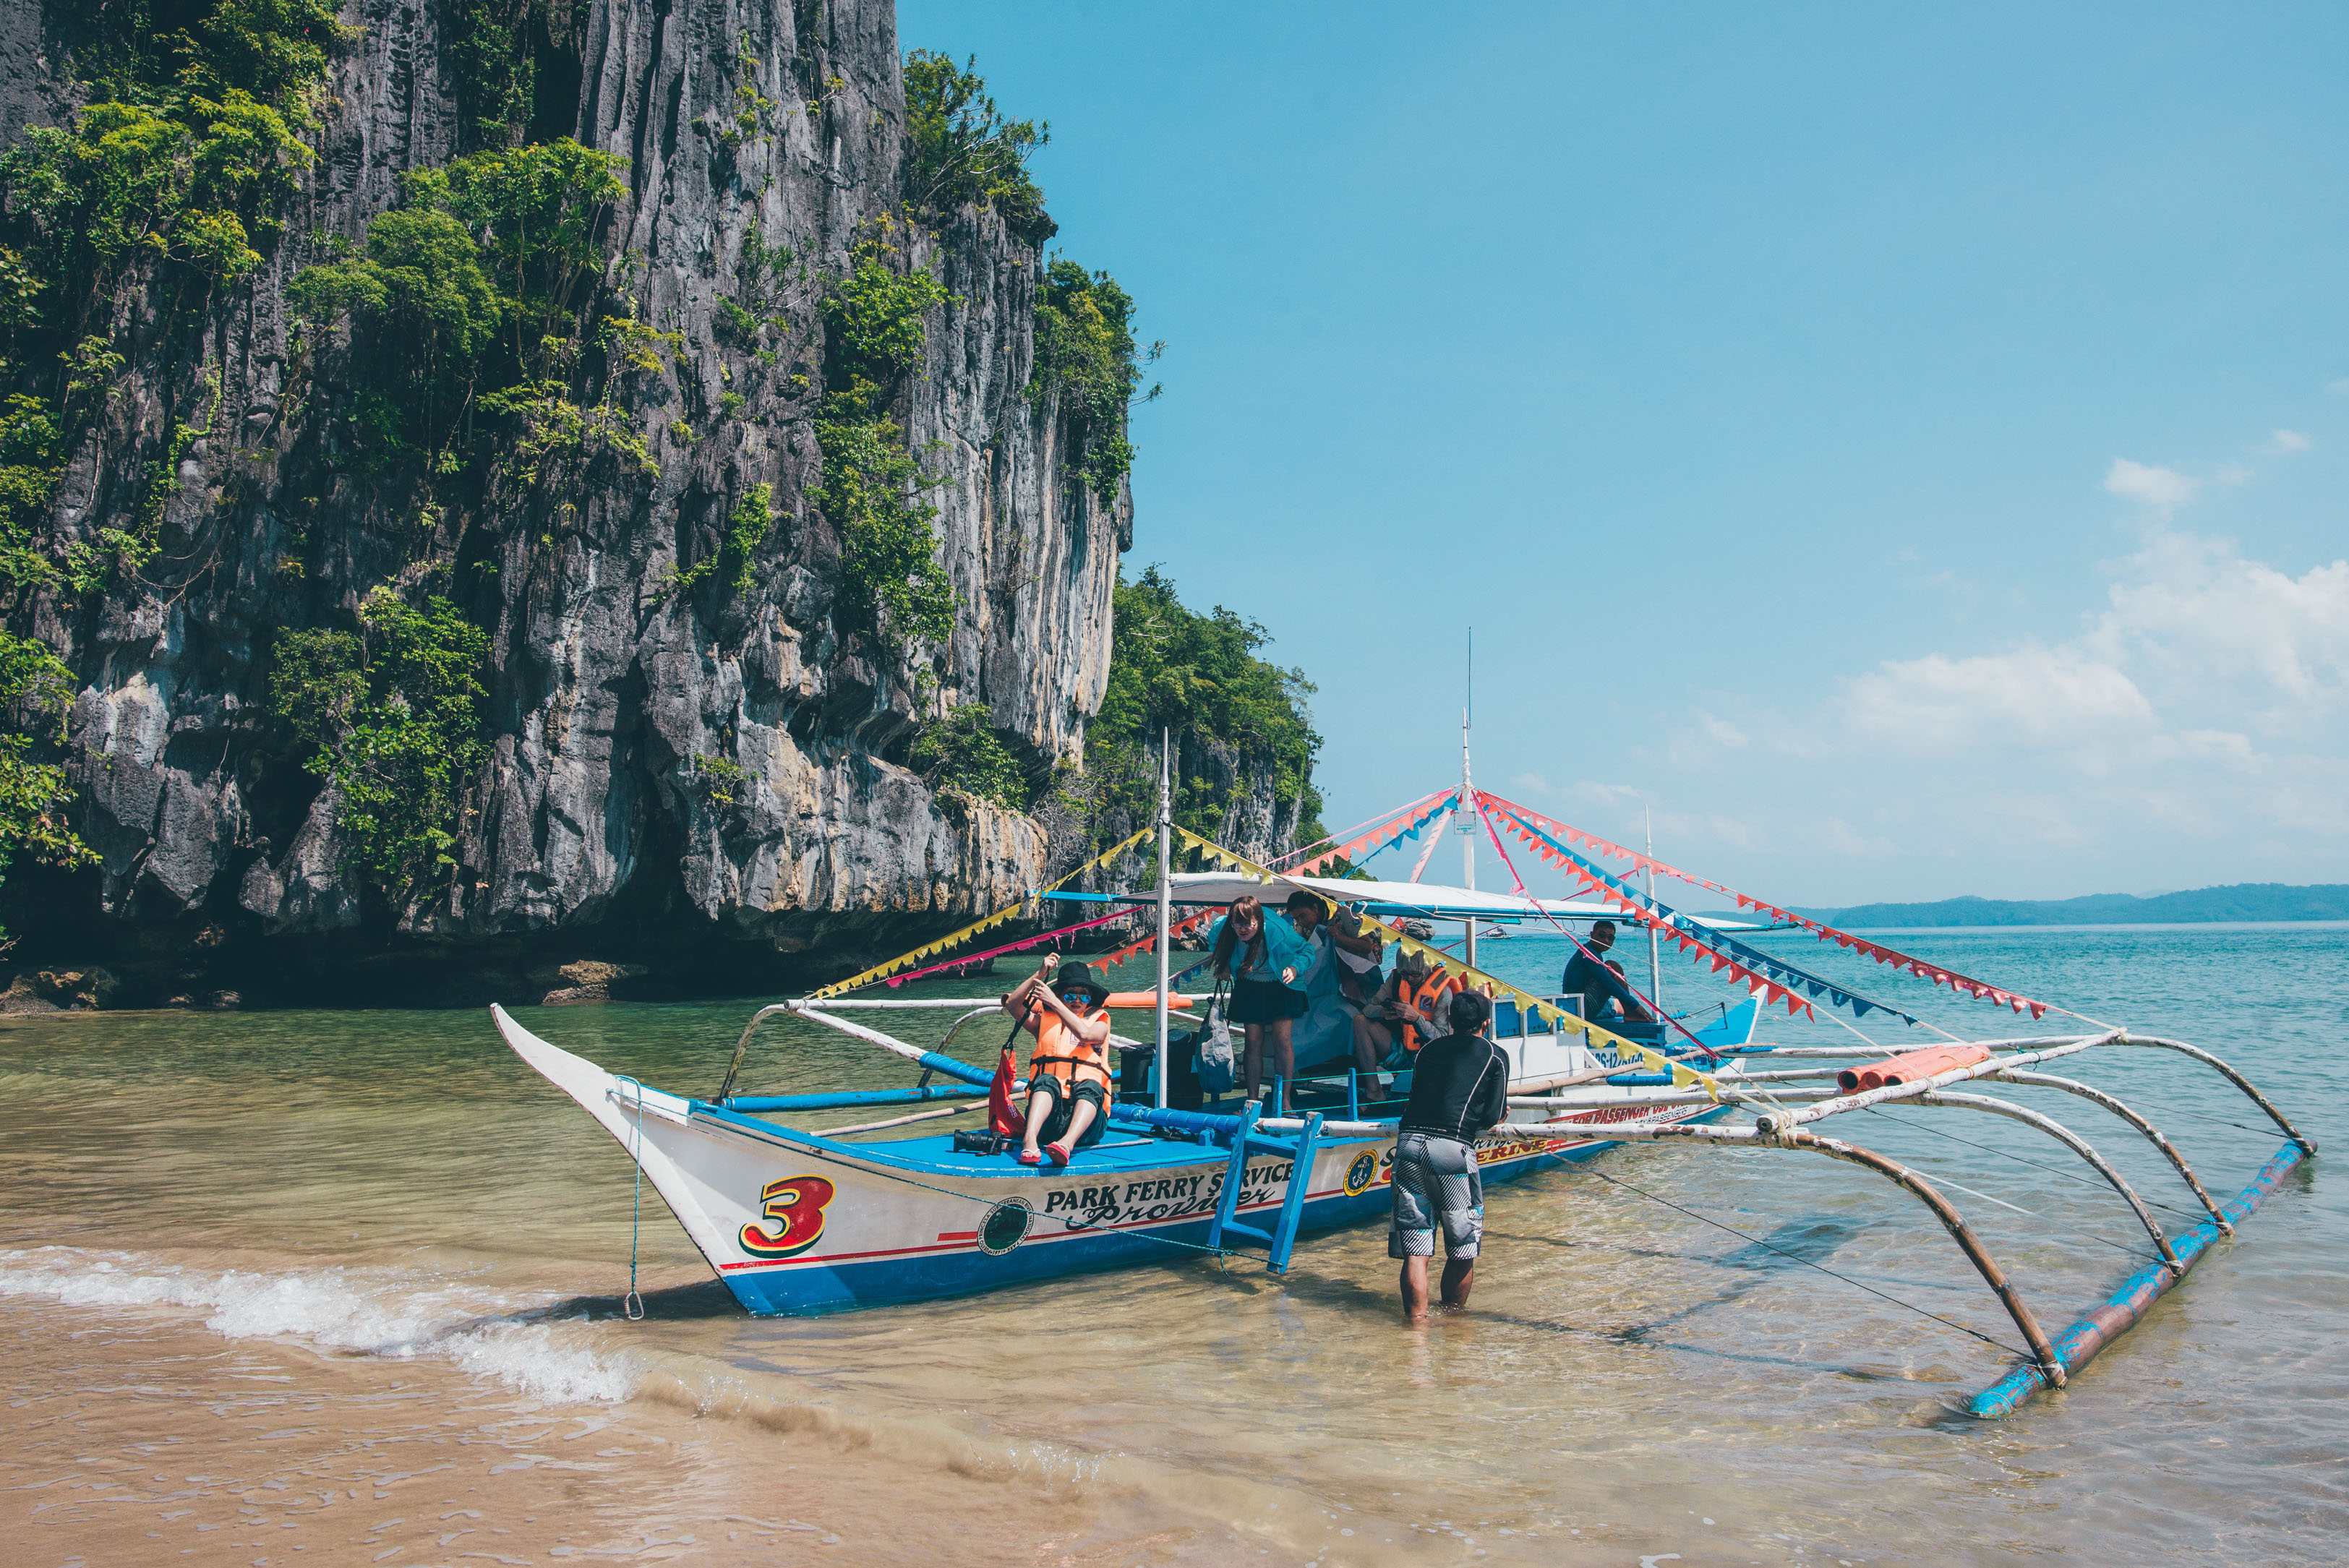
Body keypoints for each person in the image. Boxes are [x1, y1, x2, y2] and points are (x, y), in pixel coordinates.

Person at [1390, 987, 1508, 1322]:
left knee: (1416, 1247)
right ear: (1485, 1023)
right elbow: (1492, 1114)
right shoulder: (1494, 1055)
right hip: (1452, 1149)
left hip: (1409, 1144)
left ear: (1451, 1020)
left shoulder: (1427, 1051)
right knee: (1462, 1245)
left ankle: (1416, 1328)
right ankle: (1454, 1325)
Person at [1000, 957, 1116, 1167]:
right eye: (1070, 995)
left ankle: (1066, 1145)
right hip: (1049, 1122)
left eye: (1084, 997)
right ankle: (1030, 1140)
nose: (1077, 1001)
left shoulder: (1099, 1023)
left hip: (1089, 1127)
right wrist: (1040, 974)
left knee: (1090, 1085)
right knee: (1045, 1080)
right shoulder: (1044, 1023)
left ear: (1091, 1000)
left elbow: (1085, 1034)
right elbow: (1012, 1004)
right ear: (1062, 996)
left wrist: (1053, 1001)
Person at [1207, 895, 1314, 1113]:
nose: (1243, 929)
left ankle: (1285, 1102)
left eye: (1249, 924)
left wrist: (1295, 968)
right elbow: (1213, 944)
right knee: (1253, 1040)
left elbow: (1307, 951)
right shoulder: (1225, 928)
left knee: (1282, 1040)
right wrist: (1224, 964)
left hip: (1282, 983)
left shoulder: (1276, 929)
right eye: (1238, 924)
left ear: (1259, 921)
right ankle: (1252, 1101)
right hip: (1250, 984)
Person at [1560, 920, 1643, 1022]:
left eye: (1610, 938)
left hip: (1581, 1004)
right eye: (1602, 936)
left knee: (1617, 1005)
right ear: (1592, 935)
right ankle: (1630, 1013)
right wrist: (1635, 1005)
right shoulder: (1588, 953)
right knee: (1612, 967)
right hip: (1578, 1008)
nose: (1606, 940)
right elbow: (1608, 982)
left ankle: (1628, 1011)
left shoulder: (1592, 952)